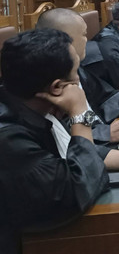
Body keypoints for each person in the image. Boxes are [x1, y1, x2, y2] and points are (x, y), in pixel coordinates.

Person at [0, 29, 110, 253]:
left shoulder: (26, 104)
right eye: (76, 73)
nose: (80, 80)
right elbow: (73, 191)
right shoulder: (8, 137)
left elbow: (69, 159)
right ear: (57, 88)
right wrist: (80, 114)